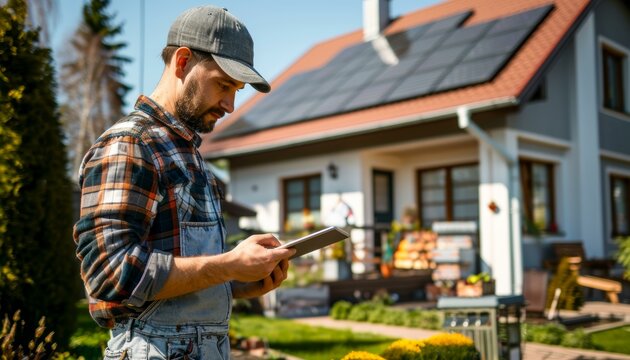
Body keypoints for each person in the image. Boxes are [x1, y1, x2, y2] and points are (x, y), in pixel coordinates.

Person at [73, 5, 295, 359]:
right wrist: (227, 265)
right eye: (223, 84)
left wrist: (237, 282)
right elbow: (110, 274)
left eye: (236, 89)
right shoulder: (131, 145)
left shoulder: (188, 154)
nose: (230, 105)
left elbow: (182, 271)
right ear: (182, 62)